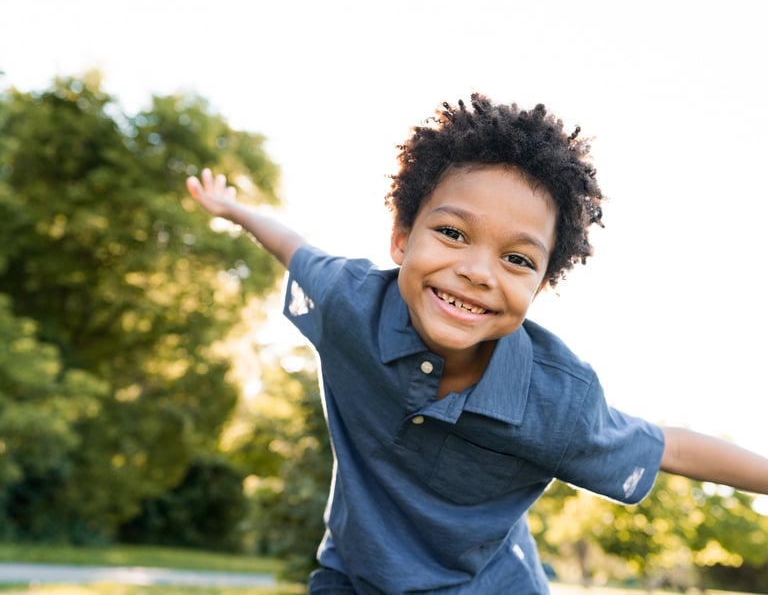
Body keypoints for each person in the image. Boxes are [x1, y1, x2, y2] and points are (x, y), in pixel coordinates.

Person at [186, 95, 768, 594]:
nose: (477, 271)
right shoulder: (350, 302)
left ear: (541, 286)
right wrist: (233, 209)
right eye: (452, 233)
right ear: (401, 237)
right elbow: (294, 247)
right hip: (353, 576)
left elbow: (670, 449)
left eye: (516, 259)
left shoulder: (556, 399)